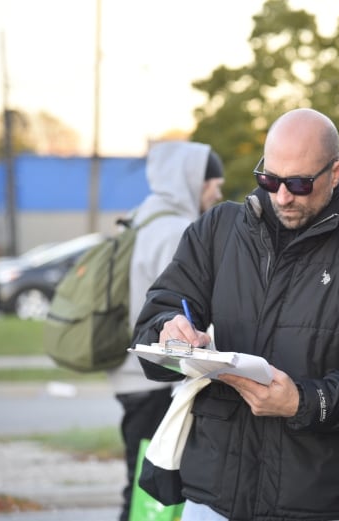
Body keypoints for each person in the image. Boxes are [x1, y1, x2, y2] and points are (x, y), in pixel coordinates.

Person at [132, 108, 339, 520]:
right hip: (213, 498)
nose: (282, 196)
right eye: (270, 180)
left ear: (336, 172)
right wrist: (170, 331)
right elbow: (159, 312)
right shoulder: (219, 229)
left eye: (299, 183)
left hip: (318, 503)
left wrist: (302, 402)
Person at [108, 140, 224, 521]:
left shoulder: (141, 217)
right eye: (214, 185)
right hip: (157, 380)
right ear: (195, 182)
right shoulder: (176, 230)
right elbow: (183, 306)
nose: (219, 194)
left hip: (128, 376)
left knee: (138, 480)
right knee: (153, 494)